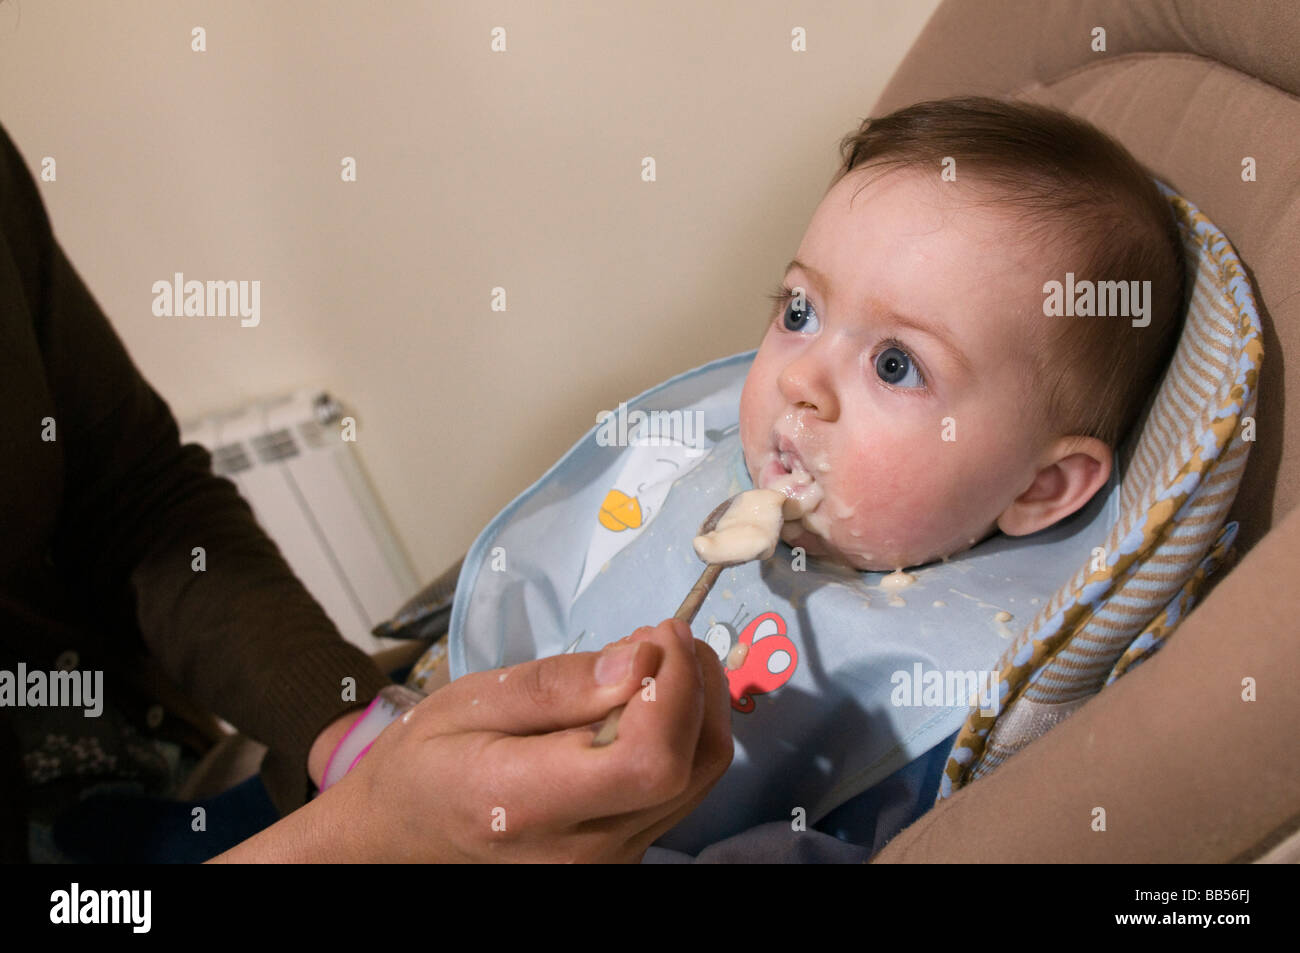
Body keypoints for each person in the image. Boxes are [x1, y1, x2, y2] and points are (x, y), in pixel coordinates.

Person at [423, 97, 1189, 859]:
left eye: (896, 365)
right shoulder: (718, 463)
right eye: (799, 311)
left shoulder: (947, 699)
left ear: (1038, 488)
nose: (803, 380)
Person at [0, 119, 730, 863]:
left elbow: (134, 497)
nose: (807, 388)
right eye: (797, 312)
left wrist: (358, 739)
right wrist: (362, 834)